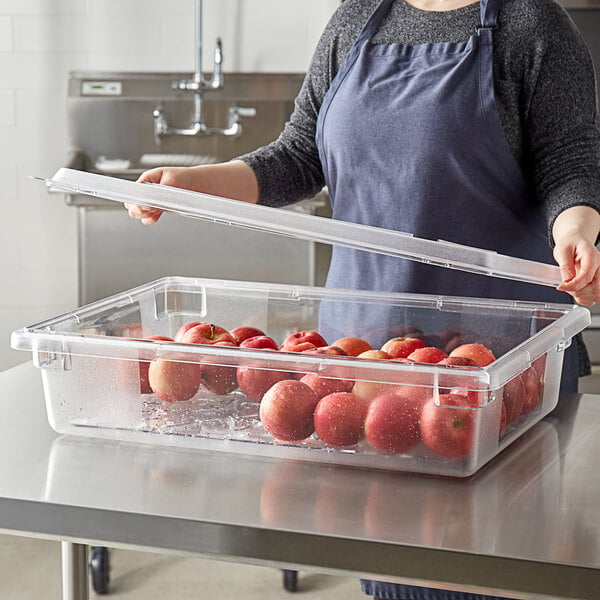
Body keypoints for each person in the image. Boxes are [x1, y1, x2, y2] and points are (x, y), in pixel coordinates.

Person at [126, 0, 600, 597]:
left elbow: (572, 165)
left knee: (499, 566)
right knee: (394, 569)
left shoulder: (531, 26)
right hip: (368, 367)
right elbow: (299, 156)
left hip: (500, 373)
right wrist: (194, 184)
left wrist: (574, 231)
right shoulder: (357, 19)